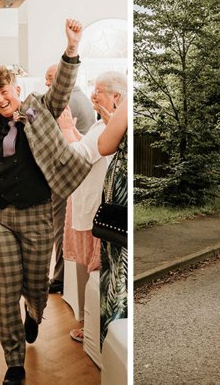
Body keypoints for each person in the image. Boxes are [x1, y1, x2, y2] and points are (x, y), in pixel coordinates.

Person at [0, 19, 91, 385]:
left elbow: (61, 86)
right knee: (4, 289)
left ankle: (35, 311)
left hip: (36, 213)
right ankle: (14, 362)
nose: (0, 100)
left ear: (17, 89)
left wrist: (71, 47)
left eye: (5, 93)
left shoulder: (38, 109)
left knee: (36, 285)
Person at [57, 71, 127, 342]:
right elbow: (88, 143)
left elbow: (82, 153)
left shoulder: (107, 126)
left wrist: (64, 129)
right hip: (89, 202)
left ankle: (92, 327)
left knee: (94, 269)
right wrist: (72, 130)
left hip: (95, 207)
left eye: (98, 91)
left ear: (115, 97)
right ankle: (93, 324)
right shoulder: (104, 124)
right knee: (93, 268)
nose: (93, 95)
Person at [46, 62, 95, 294]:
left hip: (66, 173)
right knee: (65, 225)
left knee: (61, 226)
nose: (47, 83)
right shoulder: (82, 97)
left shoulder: (65, 101)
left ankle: (59, 278)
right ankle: (64, 277)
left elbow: (38, 124)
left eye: (50, 78)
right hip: (79, 171)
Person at [97, 96, 128, 348]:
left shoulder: (128, 102)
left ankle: (112, 338)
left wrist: (111, 125)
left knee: (116, 261)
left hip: (121, 192)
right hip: (126, 190)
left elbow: (104, 145)